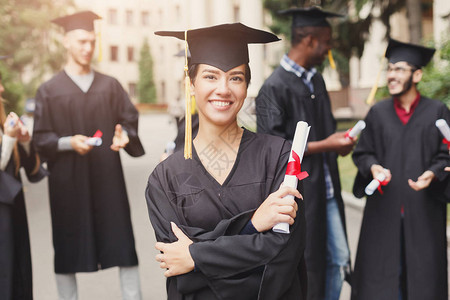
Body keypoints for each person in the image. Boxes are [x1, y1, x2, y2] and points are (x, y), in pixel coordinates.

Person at [146, 23, 307, 299]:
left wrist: (196, 256)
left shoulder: (279, 156)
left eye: (235, 78)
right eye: (210, 76)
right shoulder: (164, 178)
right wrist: (253, 226)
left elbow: (283, 255)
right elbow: (177, 265)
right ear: (191, 84)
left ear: (246, 86)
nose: (224, 89)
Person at [33, 11, 145, 300]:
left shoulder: (110, 86)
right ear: (66, 41)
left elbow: (128, 120)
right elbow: (40, 139)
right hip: (67, 184)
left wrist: (125, 136)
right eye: (81, 41)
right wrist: (69, 142)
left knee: (121, 240)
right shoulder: (49, 90)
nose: (88, 48)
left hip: (108, 177)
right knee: (67, 244)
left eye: (92, 42)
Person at [255, 7, 354, 300]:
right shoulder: (273, 88)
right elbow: (274, 150)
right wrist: (328, 145)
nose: (329, 48)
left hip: (328, 190)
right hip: (300, 197)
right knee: (309, 265)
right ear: (310, 40)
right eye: (326, 41)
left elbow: (328, 132)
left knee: (339, 260)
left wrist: (341, 144)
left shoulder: (317, 82)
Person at [351, 39, 450, 300]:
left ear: (417, 74)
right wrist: (372, 167)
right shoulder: (378, 113)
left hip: (423, 213)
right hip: (384, 212)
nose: (392, 75)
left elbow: (446, 153)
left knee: (424, 282)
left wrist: (434, 173)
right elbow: (363, 153)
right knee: (381, 283)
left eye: (400, 69)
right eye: (390, 69)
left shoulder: (437, 112)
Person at [0, 68, 46, 299]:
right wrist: (8, 140)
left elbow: (25, 167)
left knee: (17, 275)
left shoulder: (3, 121)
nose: (1, 88)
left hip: (12, 217)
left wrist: (25, 142)